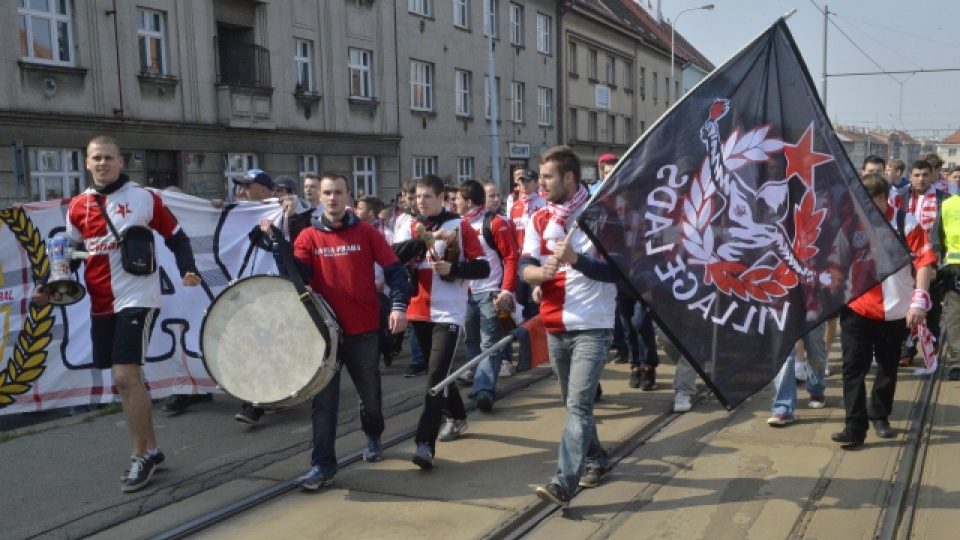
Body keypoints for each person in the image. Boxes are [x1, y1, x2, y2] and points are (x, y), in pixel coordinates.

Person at [33, 135, 202, 492]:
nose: (102, 164)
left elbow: (177, 236)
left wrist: (188, 268)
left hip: (138, 297)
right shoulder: (78, 206)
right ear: (87, 162)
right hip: (100, 302)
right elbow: (67, 259)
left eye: (109, 157)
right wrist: (49, 287)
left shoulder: (143, 197)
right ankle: (152, 449)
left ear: (121, 162)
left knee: (126, 376)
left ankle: (140, 455)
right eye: (96, 158)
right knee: (125, 379)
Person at [264, 173, 410, 490]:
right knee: (323, 403)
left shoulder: (367, 233)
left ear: (348, 196)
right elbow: (296, 277)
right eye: (327, 193)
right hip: (323, 336)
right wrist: (278, 246)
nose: (332, 198)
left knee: (370, 397)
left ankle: (373, 435)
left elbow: (395, 270)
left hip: (364, 331)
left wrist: (399, 306)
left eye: (338, 193)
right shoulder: (307, 237)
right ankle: (322, 466)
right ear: (320, 198)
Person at [522, 146, 618, 507]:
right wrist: (539, 273)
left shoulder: (600, 216)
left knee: (578, 404)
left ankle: (564, 482)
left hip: (593, 324)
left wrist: (575, 259)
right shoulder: (539, 219)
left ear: (569, 178)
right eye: (540, 176)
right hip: (555, 323)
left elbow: (616, 272)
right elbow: (525, 267)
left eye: (547, 177)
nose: (539, 183)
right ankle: (596, 457)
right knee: (572, 402)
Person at [831, 172, 935, 448]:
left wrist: (919, 301)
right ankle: (854, 425)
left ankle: (880, 415)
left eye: (869, 200)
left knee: (888, 367)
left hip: (895, 310)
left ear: (881, 198)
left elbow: (924, 263)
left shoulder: (906, 222)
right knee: (853, 367)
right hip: (857, 308)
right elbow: (835, 261)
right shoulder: (849, 223)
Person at [393, 174, 490, 468]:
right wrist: (423, 242)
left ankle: (425, 443)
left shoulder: (458, 226)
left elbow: (483, 267)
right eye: (417, 197)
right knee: (439, 374)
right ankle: (458, 416)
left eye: (427, 197)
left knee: (436, 378)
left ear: (441, 199)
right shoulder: (407, 225)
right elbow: (392, 257)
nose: (420, 201)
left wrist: (454, 267)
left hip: (448, 312)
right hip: (418, 309)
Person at [454, 180, 519, 412]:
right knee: (471, 341)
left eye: (457, 199)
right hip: (467, 294)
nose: (454, 203)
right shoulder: (458, 225)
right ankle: (478, 380)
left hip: (491, 293)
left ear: (469, 201)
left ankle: (484, 390)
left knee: (489, 343)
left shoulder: (495, 223)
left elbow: (511, 258)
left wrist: (506, 290)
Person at [889, 159, 946, 367]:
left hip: (933, 261)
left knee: (931, 308)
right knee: (906, 305)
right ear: (910, 176)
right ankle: (907, 348)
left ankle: (932, 343)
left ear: (932, 176)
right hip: (905, 261)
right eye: (916, 175)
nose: (921, 179)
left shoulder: (944, 200)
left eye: (925, 175)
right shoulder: (898, 199)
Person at [394, 181, 428, 377]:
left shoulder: (434, 218)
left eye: (420, 196)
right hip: (410, 276)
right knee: (414, 319)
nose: (415, 201)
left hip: (432, 277)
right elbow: (397, 250)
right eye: (410, 197)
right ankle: (418, 360)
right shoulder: (405, 220)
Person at [767, 323, 828, 427]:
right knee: (784, 357)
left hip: (812, 309)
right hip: (783, 310)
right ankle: (783, 407)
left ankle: (817, 388)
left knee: (816, 352)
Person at [509, 168, 546, 321]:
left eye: (528, 181)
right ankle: (524, 333)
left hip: (536, 259)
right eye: (521, 182)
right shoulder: (515, 206)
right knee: (520, 299)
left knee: (535, 300)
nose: (524, 185)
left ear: (536, 182)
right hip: (519, 260)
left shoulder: (543, 203)